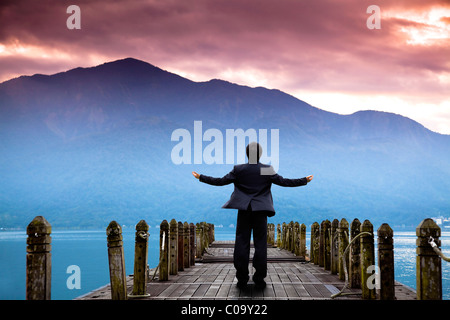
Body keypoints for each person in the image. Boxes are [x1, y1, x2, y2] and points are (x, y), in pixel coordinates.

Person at [192, 142, 313, 290]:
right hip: (260, 211)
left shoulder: (239, 169)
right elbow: (284, 182)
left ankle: (242, 278)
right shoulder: (266, 169)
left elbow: (220, 182)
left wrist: (201, 177)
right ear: (260, 154)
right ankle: (259, 278)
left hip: (244, 210)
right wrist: (304, 180)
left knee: (241, 243)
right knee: (260, 244)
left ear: (247, 153)